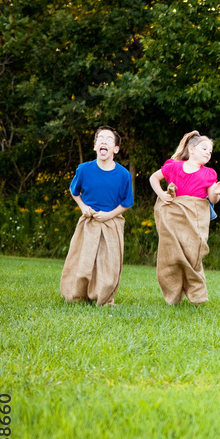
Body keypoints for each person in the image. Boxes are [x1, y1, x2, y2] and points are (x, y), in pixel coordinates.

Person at [149, 131, 220, 305]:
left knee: (193, 254)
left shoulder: (209, 174)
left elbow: (211, 199)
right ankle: (173, 295)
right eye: (204, 148)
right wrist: (162, 194)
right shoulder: (174, 167)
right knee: (172, 254)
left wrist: (215, 192)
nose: (208, 152)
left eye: (210, 151)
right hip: (174, 217)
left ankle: (197, 295)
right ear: (191, 149)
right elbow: (153, 178)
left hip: (195, 218)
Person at [60, 126, 133, 305]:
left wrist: (110, 215)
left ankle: (104, 297)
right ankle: (77, 295)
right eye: (100, 138)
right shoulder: (84, 170)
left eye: (109, 140)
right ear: (94, 146)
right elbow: (74, 191)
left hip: (111, 222)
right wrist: (83, 206)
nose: (104, 142)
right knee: (83, 261)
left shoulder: (123, 174)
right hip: (89, 221)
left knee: (109, 263)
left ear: (116, 149)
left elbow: (127, 203)